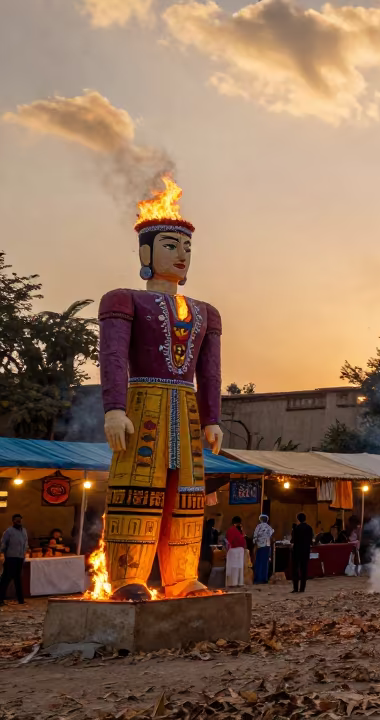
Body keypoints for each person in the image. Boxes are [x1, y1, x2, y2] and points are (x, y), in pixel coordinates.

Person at [98, 179, 224, 600]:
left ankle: (182, 576)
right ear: (146, 253)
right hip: (143, 403)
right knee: (138, 491)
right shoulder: (124, 300)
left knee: (188, 496)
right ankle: (127, 577)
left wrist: (213, 418)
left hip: (186, 411)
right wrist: (114, 408)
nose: (183, 255)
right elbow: (113, 356)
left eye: (187, 248)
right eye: (171, 246)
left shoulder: (207, 312)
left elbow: (210, 372)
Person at [0, 515, 29, 605]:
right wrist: (2, 553)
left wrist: (25, 551)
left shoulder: (24, 531)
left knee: (18, 578)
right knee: (6, 578)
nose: (18, 522)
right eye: (17, 520)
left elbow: (25, 542)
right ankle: (0, 599)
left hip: (20, 557)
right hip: (10, 557)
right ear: (13, 521)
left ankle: (20, 599)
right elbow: (3, 543)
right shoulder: (9, 531)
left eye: (20, 520)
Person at [291, 512, 314, 593]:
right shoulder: (309, 528)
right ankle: (302, 588)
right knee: (304, 570)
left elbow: (293, 540)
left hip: (297, 551)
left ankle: (295, 588)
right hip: (306, 551)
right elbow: (311, 540)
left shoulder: (296, 528)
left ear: (298, 519)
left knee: (296, 570)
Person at [224, 516, 247, 588]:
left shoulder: (231, 530)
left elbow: (228, 541)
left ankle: (232, 583)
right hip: (241, 550)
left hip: (233, 550)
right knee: (239, 566)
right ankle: (239, 582)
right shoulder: (241, 529)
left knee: (233, 566)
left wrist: (226, 550)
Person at [252, 514, 274, 584]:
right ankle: (264, 578)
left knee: (258, 562)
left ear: (260, 519)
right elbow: (271, 535)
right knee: (265, 562)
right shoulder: (269, 527)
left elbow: (255, 536)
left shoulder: (258, 526)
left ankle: (258, 578)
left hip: (260, 546)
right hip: (267, 546)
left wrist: (255, 542)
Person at [198, 517, 218, 585]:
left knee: (201, 575)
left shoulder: (203, 532)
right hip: (207, 557)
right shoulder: (213, 532)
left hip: (202, 556)